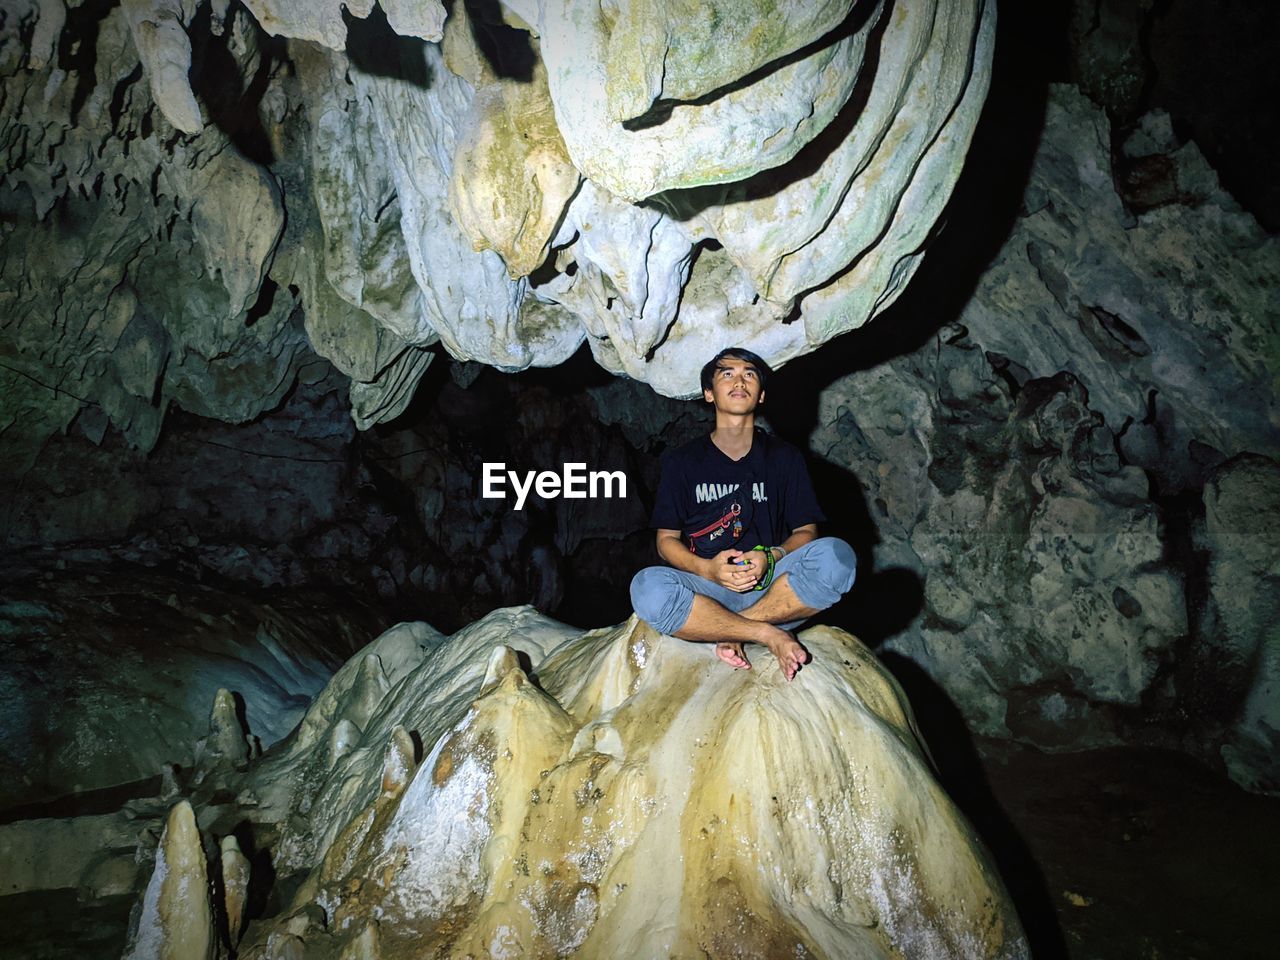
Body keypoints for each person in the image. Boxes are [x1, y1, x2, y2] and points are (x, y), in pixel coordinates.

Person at [630, 348, 856, 680]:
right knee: (646, 588)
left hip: (772, 586)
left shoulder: (785, 458)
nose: (739, 380)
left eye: (749, 374)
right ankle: (764, 633)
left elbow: (806, 532)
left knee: (838, 558)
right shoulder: (682, 462)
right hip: (707, 590)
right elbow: (665, 541)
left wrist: (771, 557)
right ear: (709, 393)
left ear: (761, 394)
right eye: (727, 374)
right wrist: (708, 570)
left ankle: (733, 631)